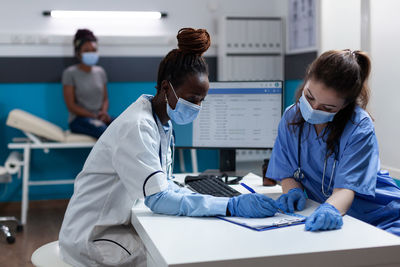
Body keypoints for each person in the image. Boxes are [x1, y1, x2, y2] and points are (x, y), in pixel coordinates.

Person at [59, 28, 278, 267]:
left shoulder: (160, 122)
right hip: (93, 237)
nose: (197, 107)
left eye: (202, 100)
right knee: (176, 255)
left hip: (115, 226)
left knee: (189, 240)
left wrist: (212, 200)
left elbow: (164, 184)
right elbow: (159, 198)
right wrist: (229, 205)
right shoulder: (137, 126)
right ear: (166, 88)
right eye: (193, 99)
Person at [266, 49, 400, 235]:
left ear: (345, 105)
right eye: (309, 96)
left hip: (383, 217)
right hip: (344, 219)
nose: (313, 109)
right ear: (306, 81)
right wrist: (292, 192)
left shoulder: (358, 126)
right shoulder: (291, 117)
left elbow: (346, 190)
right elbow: (287, 173)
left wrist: (329, 210)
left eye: (326, 107)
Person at [62, 29, 112, 139]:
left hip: (99, 117)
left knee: (123, 127)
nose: (91, 53)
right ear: (78, 53)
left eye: (94, 50)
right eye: (87, 50)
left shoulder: (100, 71)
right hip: (79, 120)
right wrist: (93, 116)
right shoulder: (70, 73)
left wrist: (103, 113)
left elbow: (105, 99)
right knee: (104, 132)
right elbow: (71, 106)